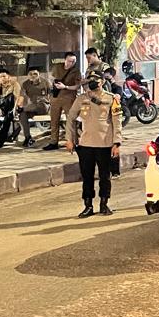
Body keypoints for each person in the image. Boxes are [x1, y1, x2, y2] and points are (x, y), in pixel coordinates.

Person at [66, 77, 122, 218]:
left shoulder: (111, 99)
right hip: (85, 144)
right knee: (87, 177)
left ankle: (104, 203)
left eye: (95, 80)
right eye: (90, 80)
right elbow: (71, 118)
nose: (92, 83)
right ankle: (88, 205)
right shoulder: (81, 99)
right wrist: (69, 139)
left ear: (102, 81)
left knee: (105, 176)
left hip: (104, 144)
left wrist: (116, 143)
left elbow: (117, 122)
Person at [44, 53, 82, 150]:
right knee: (54, 120)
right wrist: (54, 83)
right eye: (69, 61)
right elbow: (50, 77)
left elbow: (77, 86)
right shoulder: (57, 67)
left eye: (73, 61)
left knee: (71, 120)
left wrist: (65, 87)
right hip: (56, 97)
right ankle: (53, 141)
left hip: (69, 98)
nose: (71, 63)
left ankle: (73, 141)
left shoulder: (75, 71)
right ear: (65, 60)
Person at [17, 67, 49, 148]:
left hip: (44, 106)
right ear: (28, 75)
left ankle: (23, 109)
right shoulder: (25, 84)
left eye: (35, 74)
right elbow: (22, 96)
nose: (33, 75)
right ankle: (28, 137)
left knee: (39, 105)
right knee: (22, 114)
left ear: (39, 74)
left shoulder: (45, 82)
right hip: (31, 108)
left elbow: (52, 95)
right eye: (30, 74)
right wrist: (19, 105)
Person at [0, 69, 20, 147]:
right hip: (1, 108)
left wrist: (14, 109)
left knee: (7, 118)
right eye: (0, 77)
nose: (2, 78)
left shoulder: (15, 84)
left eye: (4, 76)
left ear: (8, 77)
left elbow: (17, 98)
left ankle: (0, 141)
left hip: (12, 108)